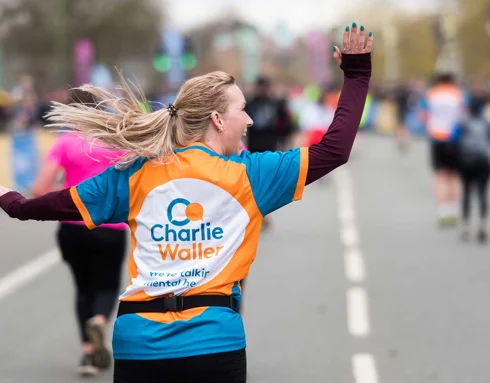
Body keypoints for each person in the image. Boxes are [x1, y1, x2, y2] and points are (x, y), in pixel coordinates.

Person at [0, 22, 373, 383]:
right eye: (241, 110)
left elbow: (51, 205)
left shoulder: (135, 174)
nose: (247, 120)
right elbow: (334, 151)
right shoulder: (252, 175)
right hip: (213, 344)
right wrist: (356, 76)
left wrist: (11, 201)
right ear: (216, 119)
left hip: (138, 344)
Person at [31, 89, 129, 376]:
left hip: (72, 227)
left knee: (83, 288)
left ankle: (88, 354)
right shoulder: (116, 143)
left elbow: (39, 188)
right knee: (107, 285)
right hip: (109, 226)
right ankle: (99, 319)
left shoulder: (65, 143)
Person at [419, 73, 469, 227]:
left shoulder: (431, 93)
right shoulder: (459, 94)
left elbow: (423, 116)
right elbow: (465, 115)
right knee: (454, 175)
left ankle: (443, 211)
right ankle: (454, 210)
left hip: (437, 137)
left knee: (441, 175)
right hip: (455, 139)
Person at [456, 95, 490, 242]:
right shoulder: (486, 123)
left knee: (466, 191)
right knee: (482, 192)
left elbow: (454, 138)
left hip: (467, 160)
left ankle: (465, 225)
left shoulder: (463, 122)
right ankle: (483, 223)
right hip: (483, 160)